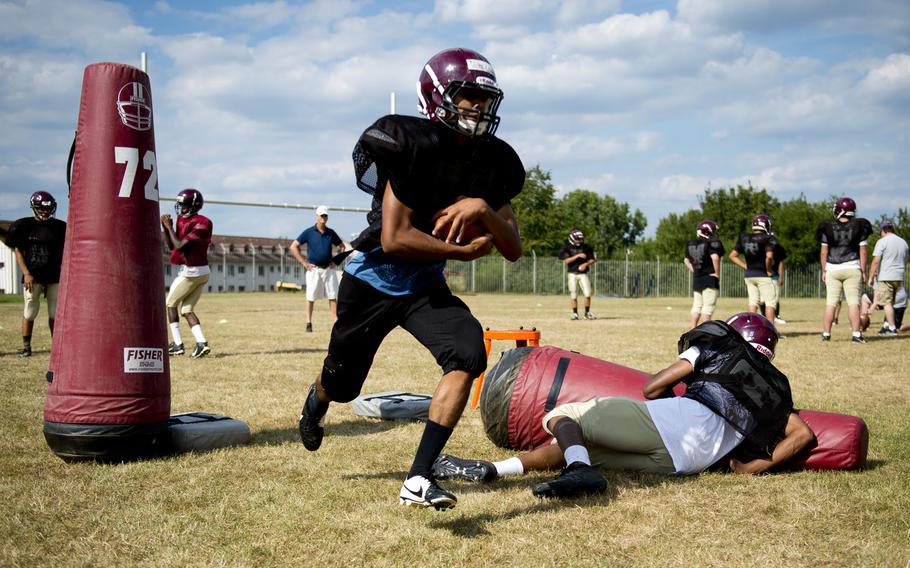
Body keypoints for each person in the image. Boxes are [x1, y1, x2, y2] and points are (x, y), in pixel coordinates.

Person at [297, 47, 525, 510]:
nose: (478, 107)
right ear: (437, 97)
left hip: (423, 285)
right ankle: (316, 399)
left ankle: (418, 477)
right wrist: (460, 251)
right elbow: (396, 237)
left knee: (467, 352)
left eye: (485, 98)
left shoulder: (489, 160)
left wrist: (482, 210)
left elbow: (514, 245)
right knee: (343, 386)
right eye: (468, 96)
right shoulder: (410, 144)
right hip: (373, 278)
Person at [432, 313, 815, 498]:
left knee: (566, 415)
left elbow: (652, 388)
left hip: (669, 425)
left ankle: (581, 471)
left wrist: (674, 398)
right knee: (577, 448)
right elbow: (803, 434)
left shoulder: (718, 346)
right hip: (683, 464)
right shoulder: (774, 389)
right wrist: (755, 467)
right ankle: (492, 470)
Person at [5, 191, 67, 357]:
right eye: (42, 208)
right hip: (33, 275)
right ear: (34, 207)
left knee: (55, 312)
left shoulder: (60, 227)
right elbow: (18, 251)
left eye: (48, 208)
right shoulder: (23, 226)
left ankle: (56, 348)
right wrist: (26, 273)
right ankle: (26, 347)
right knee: (30, 311)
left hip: (54, 275)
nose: (46, 211)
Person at [160, 188, 214, 359]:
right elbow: (171, 246)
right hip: (200, 271)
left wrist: (169, 227)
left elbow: (180, 246)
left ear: (194, 205)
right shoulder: (183, 219)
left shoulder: (202, 223)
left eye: (183, 206)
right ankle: (201, 343)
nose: (180, 209)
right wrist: (165, 228)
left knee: (170, 303)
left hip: (192, 271)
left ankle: (177, 344)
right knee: (187, 308)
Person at [817, 197, 872, 343]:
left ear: (839, 210)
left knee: (831, 303)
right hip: (852, 266)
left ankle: (826, 334)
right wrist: (863, 270)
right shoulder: (859, 226)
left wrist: (824, 270)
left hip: (832, 268)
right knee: (854, 303)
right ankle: (856, 334)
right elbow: (863, 251)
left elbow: (823, 251)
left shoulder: (828, 226)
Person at [290, 205, 346, 332]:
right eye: (321, 215)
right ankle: (308, 323)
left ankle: (336, 321)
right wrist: (304, 263)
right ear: (316, 216)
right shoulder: (309, 232)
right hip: (313, 270)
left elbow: (342, 247)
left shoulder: (330, 233)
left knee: (332, 296)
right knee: (310, 297)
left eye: (325, 215)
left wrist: (336, 262)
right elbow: (294, 246)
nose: (323, 218)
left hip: (328, 269)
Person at [729, 214, 778, 321]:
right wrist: (768, 269)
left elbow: (732, 255)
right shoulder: (768, 238)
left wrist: (746, 266)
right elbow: (769, 257)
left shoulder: (744, 237)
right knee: (770, 302)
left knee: (753, 302)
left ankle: (751, 326)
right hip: (762, 275)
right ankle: (771, 329)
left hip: (749, 275)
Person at [866, 220, 908, 335]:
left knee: (886, 303)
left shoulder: (882, 241)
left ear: (883, 230)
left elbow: (875, 261)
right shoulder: (903, 242)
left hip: (886, 276)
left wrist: (870, 278)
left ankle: (891, 327)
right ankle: (889, 325)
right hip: (899, 276)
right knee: (892, 302)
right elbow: (905, 260)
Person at [683, 219, 723, 328]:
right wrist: (716, 273)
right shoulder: (711, 243)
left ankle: (693, 328)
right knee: (707, 308)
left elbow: (686, 260)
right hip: (709, 278)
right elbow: (715, 258)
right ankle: (706, 331)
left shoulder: (691, 243)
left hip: (697, 278)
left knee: (696, 306)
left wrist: (695, 270)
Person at [558, 229, 596, 320]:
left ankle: (587, 313)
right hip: (572, 273)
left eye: (580, 239)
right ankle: (575, 313)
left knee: (587, 294)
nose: (579, 241)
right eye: (577, 239)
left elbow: (592, 259)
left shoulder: (586, 247)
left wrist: (585, 264)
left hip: (583, 273)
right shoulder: (567, 248)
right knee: (573, 294)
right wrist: (578, 256)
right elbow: (567, 261)